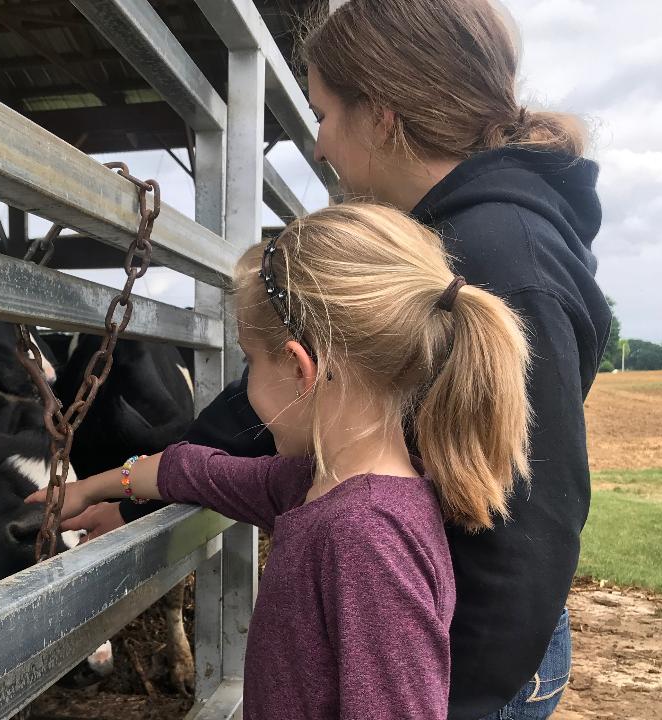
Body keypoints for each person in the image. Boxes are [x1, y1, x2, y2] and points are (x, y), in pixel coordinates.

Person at [64, 1, 612, 718]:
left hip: (466, 656)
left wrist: (467, 702)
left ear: (381, 114)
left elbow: (527, 534)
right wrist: (141, 488)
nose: (317, 146)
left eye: (321, 114)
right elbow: (273, 457)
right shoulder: (436, 251)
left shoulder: (498, 255)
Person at [30, 202, 531, 719]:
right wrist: (96, 487)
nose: (245, 385)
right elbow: (198, 471)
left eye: (249, 361)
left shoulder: (363, 536)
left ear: (297, 368)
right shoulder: (317, 486)